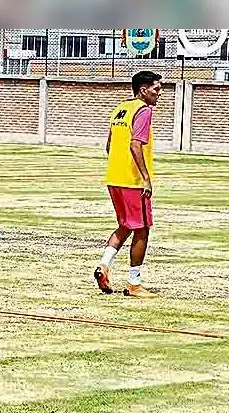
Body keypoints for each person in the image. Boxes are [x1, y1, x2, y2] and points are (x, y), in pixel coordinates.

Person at [95, 70, 162, 299]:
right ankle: (134, 284)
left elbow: (109, 145)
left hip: (114, 178)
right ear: (143, 90)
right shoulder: (143, 111)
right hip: (132, 182)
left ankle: (103, 266)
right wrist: (145, 177)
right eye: (156, 89)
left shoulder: (120, 109)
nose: (159, 93)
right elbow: (135, 146)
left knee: (125, 226)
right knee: (142, 230)